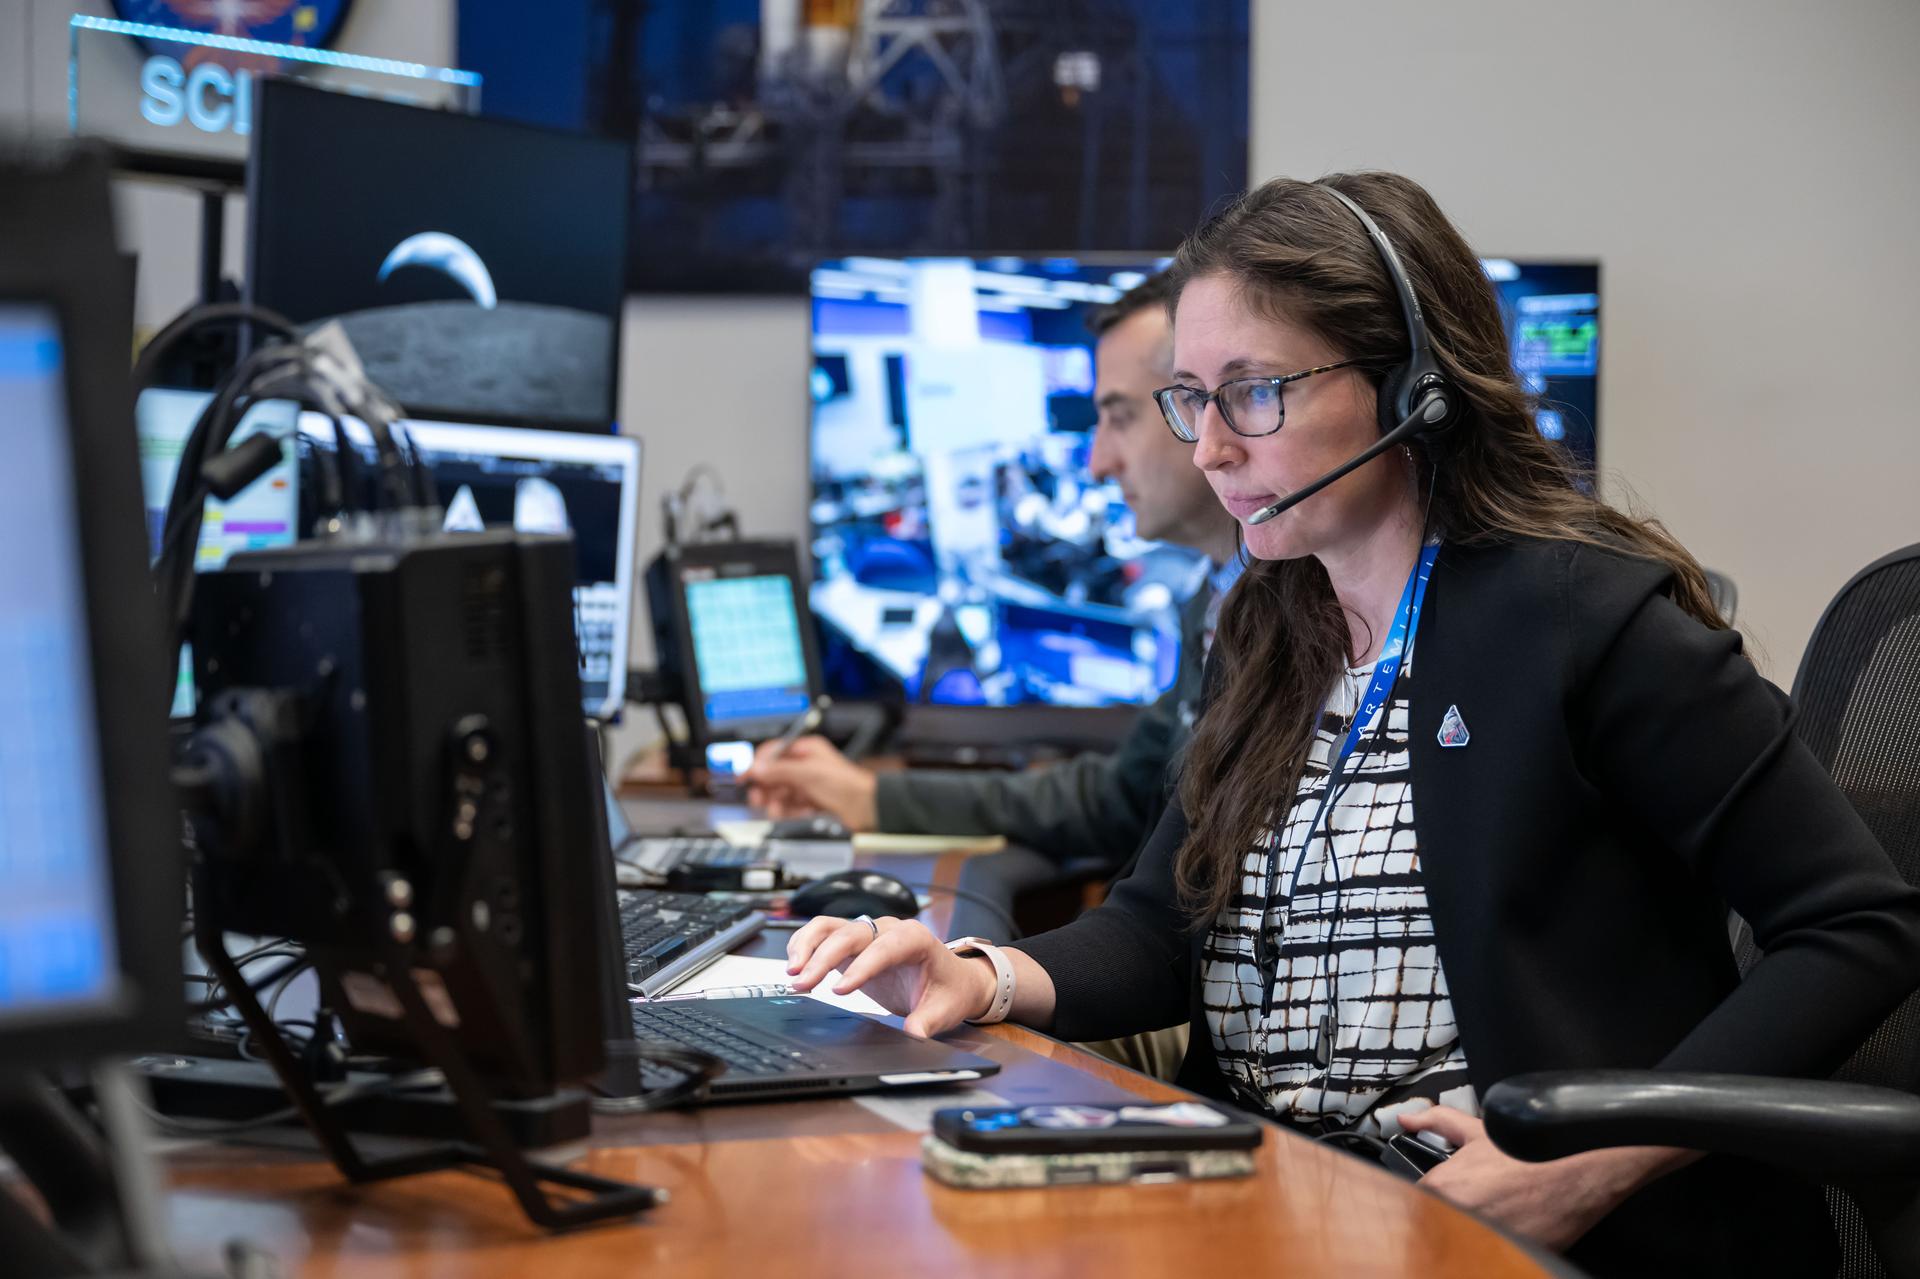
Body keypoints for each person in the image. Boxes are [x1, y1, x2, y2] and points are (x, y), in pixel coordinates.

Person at [778, 172, 1920, 1274]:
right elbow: (1163, 926)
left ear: (1414, 386)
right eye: (1191, 397)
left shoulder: (1583, 621)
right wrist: (977, 973)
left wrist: (1591, 1162)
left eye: (1253, 391)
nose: (1211, 446)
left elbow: (1860, 924)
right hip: (1277, 1204)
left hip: (1531, 1236)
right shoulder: (1269, 629)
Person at [746, 272, 1240, 876]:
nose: (1097, 462)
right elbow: (1121, 799)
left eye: (1122, 417)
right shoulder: (1212, 600)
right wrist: (871, 797)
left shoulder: (1299, 617)